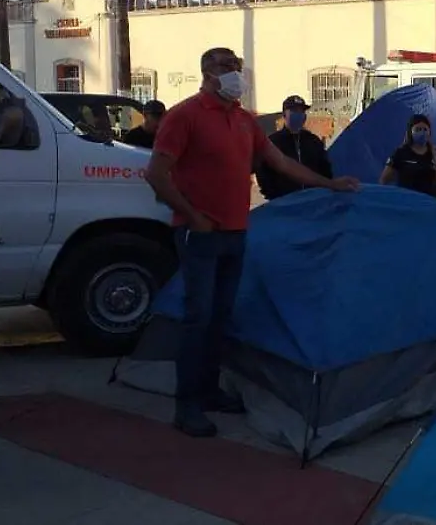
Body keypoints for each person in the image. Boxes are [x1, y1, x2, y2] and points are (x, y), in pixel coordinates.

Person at [146, 47, 360, 439]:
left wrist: (330, 184)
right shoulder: (185, 115)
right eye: (227, 66)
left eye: (238, 66)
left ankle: (209, 390)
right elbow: (156, 174)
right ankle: (187, 405)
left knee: (220, 315)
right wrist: (192, 216)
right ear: (207, 72)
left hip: (236, 232)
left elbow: (281, 163)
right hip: (200, 234)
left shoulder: (245, 120)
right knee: (198, 317)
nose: (235, 73)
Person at [256, 95, 333, 201]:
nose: (299, 114)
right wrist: (274, 196)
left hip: (313, 201)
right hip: (284, 203)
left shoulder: (313, 141)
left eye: (301, 111)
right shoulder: (273, 142)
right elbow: (263, 173)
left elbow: (325, 169)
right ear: (284, 114)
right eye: (294, 111)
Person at [380, 114, 436, 199]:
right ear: (410, 132)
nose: (422, 133)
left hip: (428, 203)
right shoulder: (400, 153)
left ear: (429, 132)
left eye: (425, 129)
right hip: (405, 202)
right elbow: (384, 179)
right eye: (418, 129)